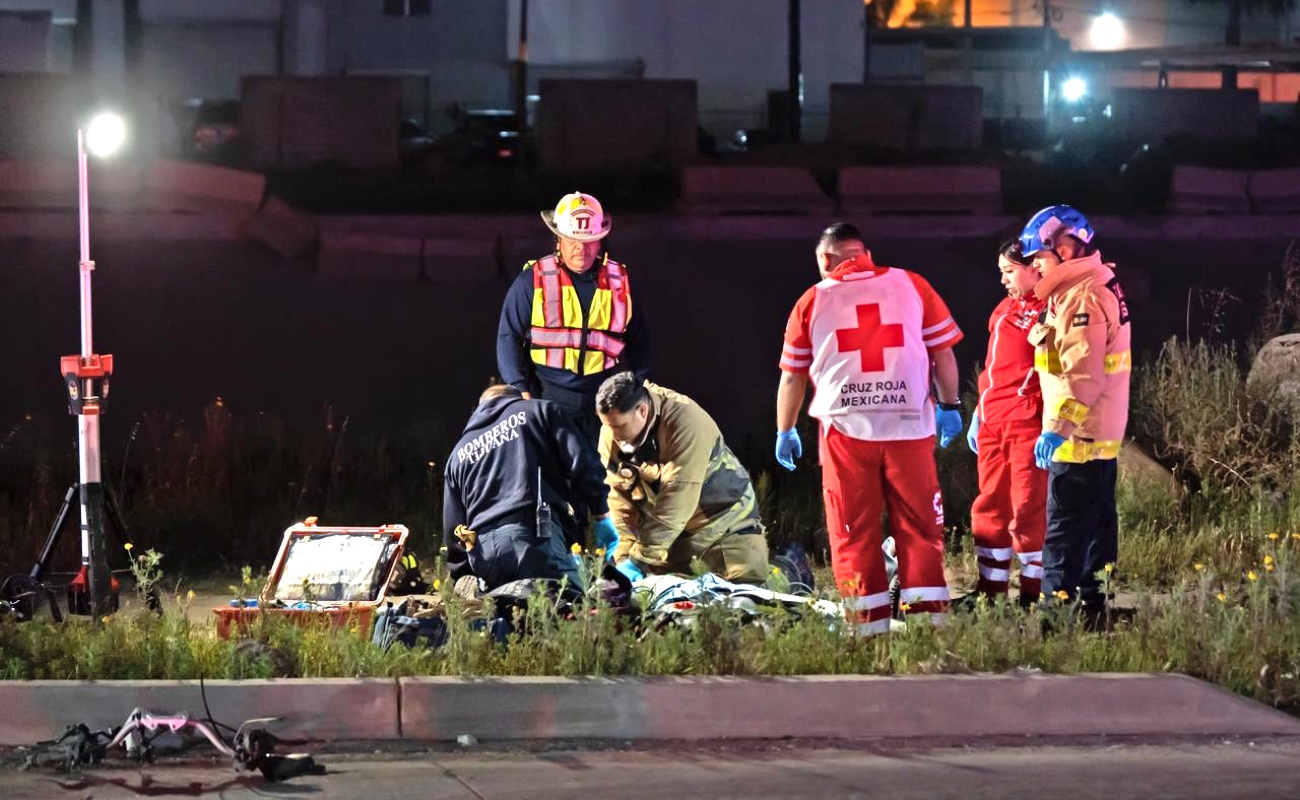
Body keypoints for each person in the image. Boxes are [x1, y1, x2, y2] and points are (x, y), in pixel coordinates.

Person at [774, 223, 964, 635]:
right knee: (920, 531)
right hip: (910, 428)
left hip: (846, 432)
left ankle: (866, 632)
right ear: (865, 252)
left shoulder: (812, 300)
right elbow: (943, 352)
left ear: (826, 259)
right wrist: (951, 405)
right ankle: (928, 629)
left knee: (852, 533)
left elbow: (792, 376)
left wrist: (784, 429)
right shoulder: (911, 284)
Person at [1018, 205, 1131, 622]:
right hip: (1096, 436)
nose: (1035, 267)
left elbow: (1083, 375)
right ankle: (1093, 615)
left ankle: (1054, 625)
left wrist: (1056, 430)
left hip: (1078, 438)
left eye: (1039, 258)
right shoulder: (1089, 286)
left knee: (1063, 538)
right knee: (1095, 534)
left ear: (1064, 250)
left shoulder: (1081, 297)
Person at [496, 191, 650, 448]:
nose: (582, 248)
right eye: (573, 240)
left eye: (590, 240)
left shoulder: (621, 283)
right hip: (547, 401)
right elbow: (507, 336)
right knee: (550, 481)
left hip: (604, 407)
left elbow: (641, 344)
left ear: (600, 242)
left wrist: (635, 391)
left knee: (601, 484)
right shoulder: (533, 281)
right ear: (558, 239)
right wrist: (520, 390)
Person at [595, 372, 770, 585]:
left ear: (642, 411)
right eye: (608, 426)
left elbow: (675, 503)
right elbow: (618, 499)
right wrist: (625, 558)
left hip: (723, 526)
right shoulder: (612, 430)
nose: (613, 435)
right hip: (670, 537)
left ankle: (791, 566)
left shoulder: (686, 424)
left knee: (744, 595)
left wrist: (638, 560)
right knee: (659, 601)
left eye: (619, 426)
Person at [443, 384, 619, 593]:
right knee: (570, 610)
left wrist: (463, 573)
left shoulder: (458, 453)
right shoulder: (539, 410)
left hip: (483, 551)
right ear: (519, 400)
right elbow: (583, 463)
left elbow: (453, 526)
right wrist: (600, 514)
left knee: (506, 615)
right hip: (535, 536)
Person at [964, 239, 1047, 607]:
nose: (1002, 279)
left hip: (1027, 422)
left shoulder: (1053, 308)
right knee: (990, 505)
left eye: (1009, 271)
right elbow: (992, 368)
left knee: (1029, 507)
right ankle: (990, 593)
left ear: (1034, 268)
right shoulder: (1003, 309)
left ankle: (1034, 595)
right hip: (993, 421)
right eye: (1000, 272)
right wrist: (979, 412)